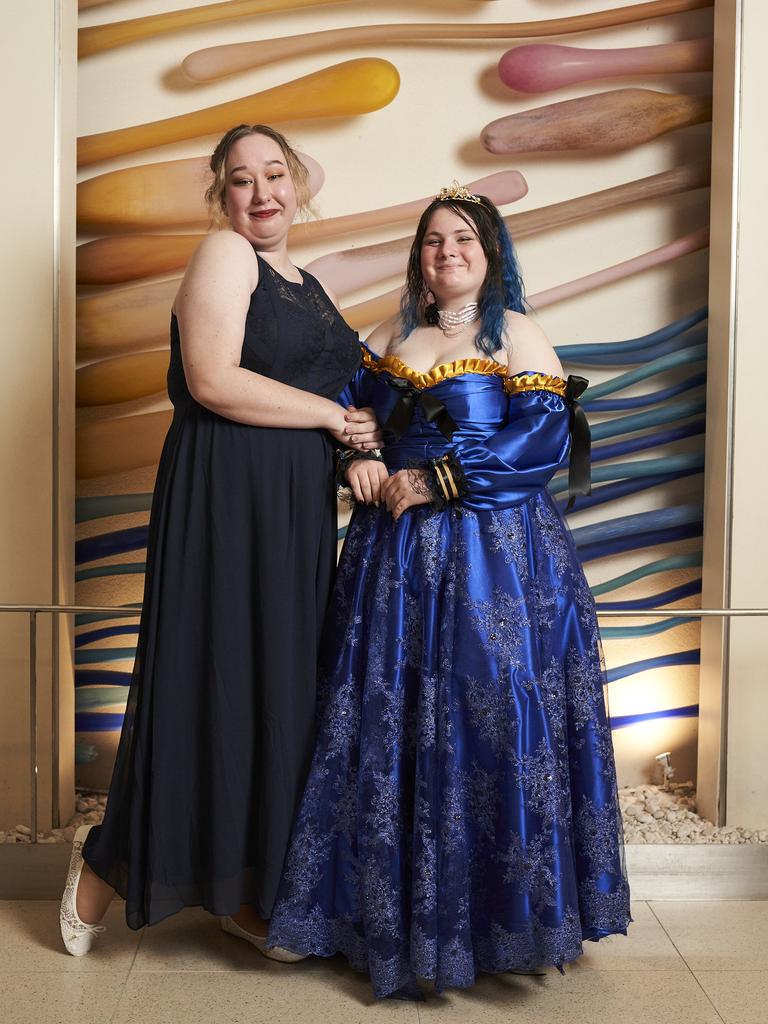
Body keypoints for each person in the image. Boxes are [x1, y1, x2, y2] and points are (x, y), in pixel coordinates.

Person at [266, 183, 631, 998]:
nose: (447, 252)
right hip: (392, 561)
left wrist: (436, 479)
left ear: (490, 253)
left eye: (463, 238)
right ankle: (373, 916)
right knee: (382, 716)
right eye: (433, 241)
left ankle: (509, 920)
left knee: (491, 712)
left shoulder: (520, 335)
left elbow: (537, 441)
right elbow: (349, 413)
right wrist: (355, 457)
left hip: (494, 557)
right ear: (418, 258)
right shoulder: (389, 334)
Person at [59, 124, 382, 957]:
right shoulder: (224, 255)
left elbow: (351, 378)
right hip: (225, 489)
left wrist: (371, 440)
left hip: (290, 502)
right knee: (208, 675)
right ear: (221, 196)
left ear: (300, 185)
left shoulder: (305, 281)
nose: (261, 192)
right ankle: (104, 869)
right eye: (241, 180)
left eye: (276, 174)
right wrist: (333, 420)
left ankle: (249, 886)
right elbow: (212, 379)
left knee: (275, 688)